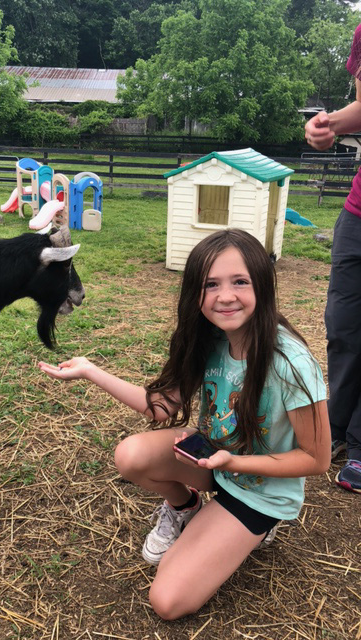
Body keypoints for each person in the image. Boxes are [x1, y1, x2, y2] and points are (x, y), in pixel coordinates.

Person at [39, 229, 331, 620]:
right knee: (131, 455)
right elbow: (160, 407)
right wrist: (92, 372)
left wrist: (233, 463)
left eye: (239, 281)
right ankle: (187, 506)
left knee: (168, 601)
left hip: (260, 488)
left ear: (262, 283)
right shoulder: (209, 338)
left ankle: (261, 527)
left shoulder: (290, 362)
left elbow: (316, 460)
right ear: (196, 292)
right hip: (215, 461)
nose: (225, 296)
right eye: (211, 284)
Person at [305, 23, 361, 493]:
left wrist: (336, 121)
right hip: (358, 213)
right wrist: (329, 124)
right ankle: (337, 427)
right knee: (342, 325)